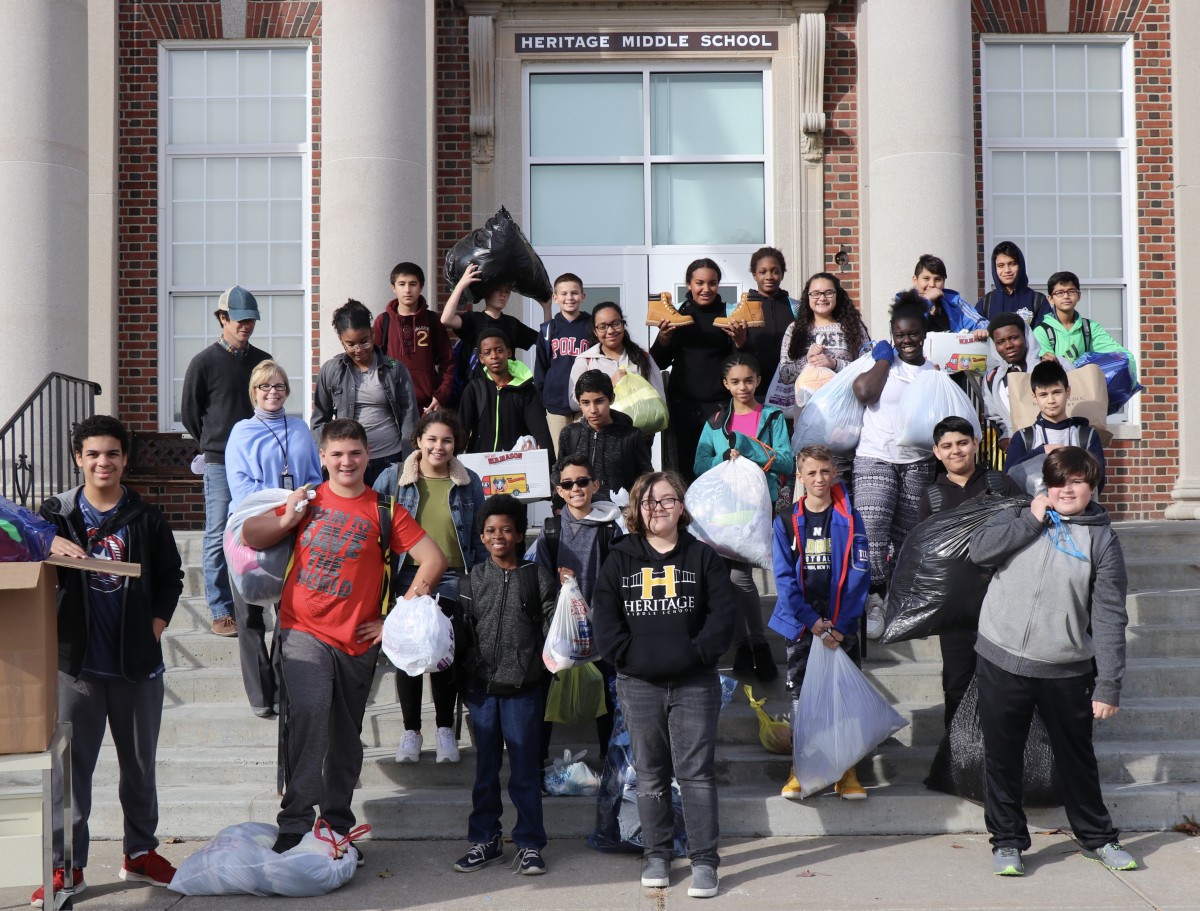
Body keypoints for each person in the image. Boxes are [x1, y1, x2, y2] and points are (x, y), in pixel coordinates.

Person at [242, 418, 448, 858]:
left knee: (344, 734)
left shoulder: (385, 510)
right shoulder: (306, 500)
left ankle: (335, 822)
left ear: (367, 455)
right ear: (322, 458)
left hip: (357, 642)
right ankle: (295, 820)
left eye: (354, 453)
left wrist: (392, 617)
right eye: (336, 454)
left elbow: (432, 560)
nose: (346, 461)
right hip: (301, 630)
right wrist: (288, 514)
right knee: (312, 712)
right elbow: (250, 534)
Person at [35, 415, 184, 907]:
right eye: (93, 453)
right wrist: (43, 540)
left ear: (125, 459)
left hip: (137, 668)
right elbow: (11, 547)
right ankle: (66, 866)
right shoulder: (54, 516)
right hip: (74, 668)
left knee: (139, 768)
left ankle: (140, 852)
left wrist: (155, 628)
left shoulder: (146, 516)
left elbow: (171, 578)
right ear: (78, 458)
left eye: (113, 453)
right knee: (70, 773)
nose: (103, 462)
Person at [969, 446, 1136, 877]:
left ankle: (1097, 838)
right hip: (1000, 656)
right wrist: (1030, 519)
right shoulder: (1019, 514)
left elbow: (1111, 616)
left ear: (1092, 487)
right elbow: (980, 552)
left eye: (1077, 481)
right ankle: (1007, 841)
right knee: (1002, 756)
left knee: (1076, 758)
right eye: (1060, 481)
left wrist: (1109, 684)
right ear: (1047, 484)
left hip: (1064, 667)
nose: (1068, 489)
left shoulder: (1102, 540)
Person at [592, 471, 737, 898]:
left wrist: (695, 654)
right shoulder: (619, 558)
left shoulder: (703, 557)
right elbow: (606, 620)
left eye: (667, 500)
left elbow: (722, 616)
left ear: (681, 506)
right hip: (638, 684)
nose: (658, 508)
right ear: (637, 508)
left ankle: (705, 861)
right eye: (649, 502)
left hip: (695, 683)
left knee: (695, 774)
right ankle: (656, 854)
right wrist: (630, 658)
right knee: (650, 774)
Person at [373, 411, 487, 764]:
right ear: (418, 441)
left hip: (452, 580)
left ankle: (444, 730)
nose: (440, 447)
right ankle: (411, 731)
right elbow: (373, 525)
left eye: (448, 440)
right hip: (406, 578)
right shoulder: (393, 478)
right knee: (406, 655)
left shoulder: (470, 482)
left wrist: (482, 581)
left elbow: (480, 539)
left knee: (442, 655)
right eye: (433, 439)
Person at [452, 494, 557, 876]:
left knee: (526, 770)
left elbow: (552, 631)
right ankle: (485, 841)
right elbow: (461, 635)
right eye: (491, 531)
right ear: (480, 536)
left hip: (524, 690)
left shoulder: (537, 577)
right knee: (485, 769)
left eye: (507, 530)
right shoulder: (471, 581)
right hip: (480, 691)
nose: (499, 537)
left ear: (519, 535)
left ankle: (530, 844)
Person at [768, 444, 870, 801]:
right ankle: (802, 767)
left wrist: (840, 624)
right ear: (800, 477)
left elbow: (860, 573)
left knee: (844, 695)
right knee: (802, 697)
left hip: (841, 618)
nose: (819, 479)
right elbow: (783, 579)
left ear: (834, 473)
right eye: (811, 473)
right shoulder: (785, 520)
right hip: (801, 620)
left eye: (825, 471)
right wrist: (811, 621)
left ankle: (847, 771)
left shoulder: (850, 517)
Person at [225, 360, 323, 717]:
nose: (272, 392)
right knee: (250, 618)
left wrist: (301, 502)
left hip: (296, 528)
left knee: (290, 614)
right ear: (254, 392)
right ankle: (260, 696)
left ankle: (284, 690)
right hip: (251, 529)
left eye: (279, 386)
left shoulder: (300, 429)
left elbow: (314, 476)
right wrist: (286, 502)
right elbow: (240, 486)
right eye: (265, 387)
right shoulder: (241, 432)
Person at [914, 417, 1021, 729]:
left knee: (1005, 685)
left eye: (962, 442)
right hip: (956, 610)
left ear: (975, 443)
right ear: (936, 452)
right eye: (947, 446)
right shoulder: (932, 497)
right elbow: (924, 557)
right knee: (957, 686)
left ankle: (1005, 762)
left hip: (1001, 602)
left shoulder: (1001, 485)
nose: (955, 450)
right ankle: (959, 764)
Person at [694, 352, 794, 682]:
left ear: (759, 381)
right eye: (735, 382)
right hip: (722, 510)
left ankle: (757, 645)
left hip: (757, 508)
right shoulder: (715, 422)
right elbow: (699, 465)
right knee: (725, 580)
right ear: (725, 384)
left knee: (739, 578)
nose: (742, 387)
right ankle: (744, 646)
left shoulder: (773, 416)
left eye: (748, 380)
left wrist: (748, 449)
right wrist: (723, 458)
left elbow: (787, 462)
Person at [181, 285, 271, 636]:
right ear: (222, 319)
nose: (245, 325)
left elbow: (269, 400)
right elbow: (191, 415)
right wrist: (215, 443)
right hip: (218, 460)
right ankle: (221, 609)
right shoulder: (203, 363)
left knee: (259, 529)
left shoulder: (261, 361)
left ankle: (255, 599)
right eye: (238, 319)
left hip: (256, 459)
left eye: (250, 320)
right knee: (218, 532)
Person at [852, 291, 938, 639]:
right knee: (872, 530)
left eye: (913, 333)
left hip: (918, 460)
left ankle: (899, 600)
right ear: (892, 334)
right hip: (876, 455)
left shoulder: (935, 369)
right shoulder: (881, 360)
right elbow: (862, 392)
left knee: (907, 535)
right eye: (900, 334)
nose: (907, 340)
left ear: (924, 333)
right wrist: (884, 361)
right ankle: (874, 598)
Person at [534, 454, 623, 758]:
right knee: (544, 699)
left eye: (582, 481)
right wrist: (553, 580)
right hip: (559, 630)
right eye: (567, 484)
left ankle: (612, 766)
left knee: (608, 703)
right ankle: (539, 764)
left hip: (600, 629)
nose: (576, 488)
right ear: (559, 491)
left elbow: (619, 578)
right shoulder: (550, 530)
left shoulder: (610, 528)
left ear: (595, 485)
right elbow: (537, 576)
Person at [651, 258, 750, 481]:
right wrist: (664, 337)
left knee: (720, 468)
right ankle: (685, 516)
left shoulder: (730, 316)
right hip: (682, 407)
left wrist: (741, 342)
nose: (706, 289)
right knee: (683, 471)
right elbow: (658, 362)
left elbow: (743, 365)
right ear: (689, 284)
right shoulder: (677, 315)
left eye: (712, 283)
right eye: (699, 283)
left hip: (720, 407)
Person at [313, 299, 419, 487]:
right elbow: (320, 418)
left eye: (364, 341)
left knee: (386, 512)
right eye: (351, 344)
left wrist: (409, 460)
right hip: (349, 463)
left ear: (372, 333)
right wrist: (326, 454)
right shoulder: (331, 370)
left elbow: (409, 416)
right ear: (341, 341)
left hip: (390, 460)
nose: (359, 349)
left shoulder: (394, 368)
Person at [441, 262, 545, 398]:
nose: (503, 295)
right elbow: (446, 319)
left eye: (507, 292)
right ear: (487, 292)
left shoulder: (512, 323)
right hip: (477, 392)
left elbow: (543, 339)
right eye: (498, 290)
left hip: (506, 391)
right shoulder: (474, 319)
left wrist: (546, 307)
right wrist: (461, 285)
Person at [1004, 360, 1107, 490]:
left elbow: (1099, 480)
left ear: (1068, 391)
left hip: (1080, 509)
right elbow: (1009, 478)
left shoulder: (1086, 435)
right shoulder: (1024, 438)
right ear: (1034, 397)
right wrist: (1040, 451)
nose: (1051, 400)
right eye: (1043, 395)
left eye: (1056, 392)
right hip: (1033, 509)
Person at [372, 261, 456, 414]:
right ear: (393, 288)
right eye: (402, 284)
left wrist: (440, 395)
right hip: (392, 406)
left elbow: (448, 362)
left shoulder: (433, 321)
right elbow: (372, 363)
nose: (407, 290)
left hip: (428, 406)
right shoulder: (383, 321)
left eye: (413, 284)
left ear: (421, 287)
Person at [556, 370, 653, 502]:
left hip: (620, 515)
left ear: (611, 398)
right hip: (579, 516)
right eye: (586, 403)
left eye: (599, 401)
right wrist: (558, 506)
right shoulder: (570, 434)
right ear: (579, 403)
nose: (593, 410)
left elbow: (645, 478)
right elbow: (559, 473)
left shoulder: (631, 436)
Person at [458, 326, 555, 454]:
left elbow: (541, 432)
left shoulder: (525, 389)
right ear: (481, 358)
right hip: (480, 464)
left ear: (509, 353)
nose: (494, 356)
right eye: (487, 353)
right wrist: (453, 464)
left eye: (499, 350)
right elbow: (461, 430)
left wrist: (551, 469)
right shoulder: (474, 389)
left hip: (515, 466)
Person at [568, 301, 666, 416]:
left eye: (615, 324)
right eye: (602, 327)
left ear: (623, 325)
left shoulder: (643, 357)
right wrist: (609, 384)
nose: (610, 331)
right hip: (601, 432)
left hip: (639, 431)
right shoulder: (585, 360)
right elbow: (574, 402)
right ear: (595, 331)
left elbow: (659, 399)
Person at [1034, 270, 1139, 373]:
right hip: (1059, 388)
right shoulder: (1041, 331)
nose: (1066, 296)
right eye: (1060, 293)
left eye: (1071, 291)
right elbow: (1047, 370)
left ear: (1079, 295)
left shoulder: (1090, 327)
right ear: (1050, 299)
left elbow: (1121, 354)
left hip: (1086, 387)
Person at [535, 273, 592, 444]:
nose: (569, 298)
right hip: (555, 403)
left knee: (585, 453)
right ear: (555, 298)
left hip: (587, 402)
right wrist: (540, 403)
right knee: (562, 456)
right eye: (564, 293)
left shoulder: (592, 326)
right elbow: (541, 369)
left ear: (583, 296)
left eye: (574, 293)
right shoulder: (548, 330)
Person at [744, 246, 802, 400]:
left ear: (782, 274)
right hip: (753, 393)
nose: (769, 276)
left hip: (789, 392)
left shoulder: (797, 308)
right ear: (754, 275)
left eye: (775, 271)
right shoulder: (743, 309)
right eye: (763, 272)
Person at [983, 312, 1040, 454]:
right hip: (1019, 450)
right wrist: (1007, 435)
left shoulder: (1051, 364)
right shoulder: (992, 378)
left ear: (1026, 337)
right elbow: (995, 415)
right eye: (1000, 342)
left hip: (1056, 446)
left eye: (1014, 338)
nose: (1008, 345)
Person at [905, 253, 988, 337]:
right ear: (915, 280)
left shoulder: (954, 301)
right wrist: (926, 300)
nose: (932, 284)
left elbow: (982, 323)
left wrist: (981, 331)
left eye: (937, 279)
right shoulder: (904, 302)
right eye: (926, 278)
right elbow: (907, 328)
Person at [976, 240, 1053, 329]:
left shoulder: (1038, 301)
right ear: (994, 268)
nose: (1007, 270)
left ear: (1021, 266)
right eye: (1001, 265)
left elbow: (1045, 337)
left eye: (1012, 264)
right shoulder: (986, 303)